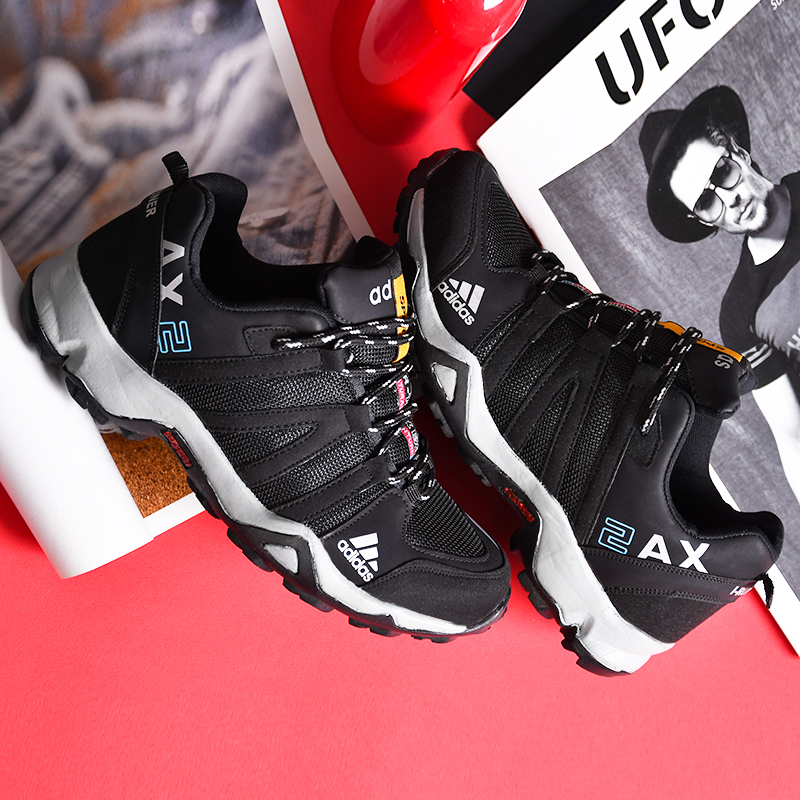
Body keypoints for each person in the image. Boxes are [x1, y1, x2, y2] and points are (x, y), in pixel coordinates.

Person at [639, 84, 800, 503]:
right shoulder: (740, 313)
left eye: (722, 172)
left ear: (738, 151)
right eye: (706, 202)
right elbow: (793, 435)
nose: (731, 200)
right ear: (703, 220)